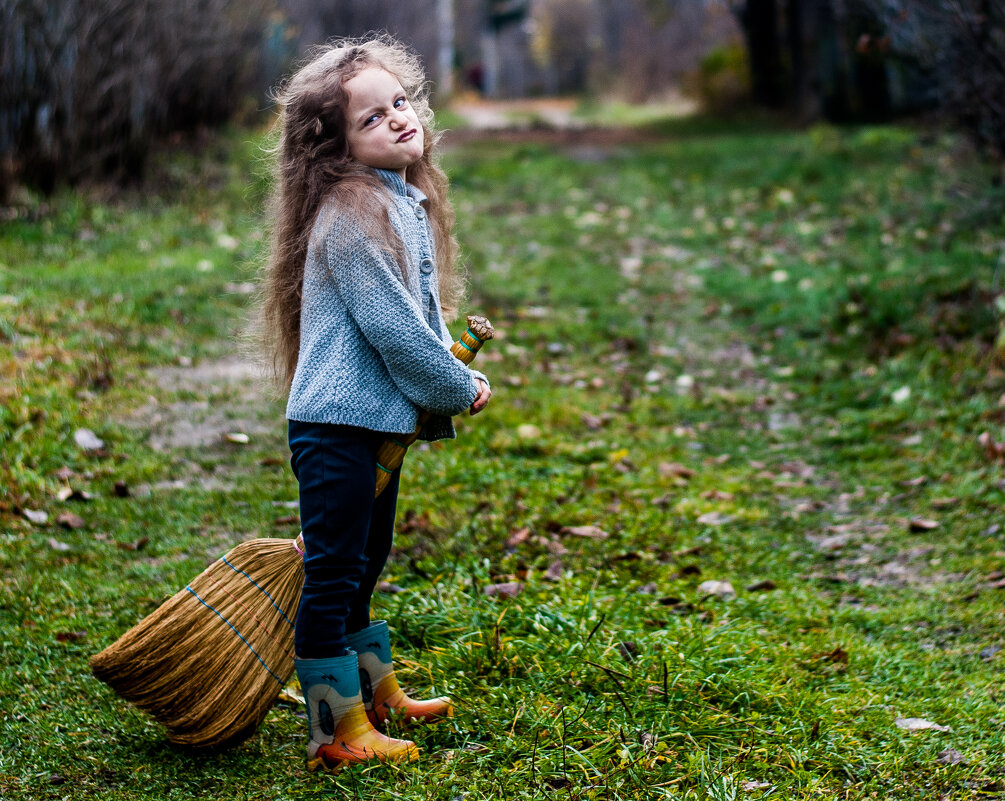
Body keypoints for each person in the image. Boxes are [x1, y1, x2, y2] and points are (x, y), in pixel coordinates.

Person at [259, 35, 491, 772]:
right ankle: (333, 728)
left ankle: (373, 694)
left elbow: (415, 316)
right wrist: (456, 386)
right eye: (370, 118)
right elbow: (393, 333)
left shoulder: (398, 199)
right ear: (333, 150)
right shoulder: (352, 215)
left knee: (364, 562)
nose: (397, 119)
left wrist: (443, 363)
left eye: (400, 102)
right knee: (332, 575)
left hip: (368, 426)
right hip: (335, 428)